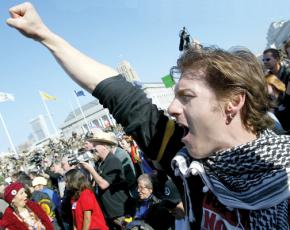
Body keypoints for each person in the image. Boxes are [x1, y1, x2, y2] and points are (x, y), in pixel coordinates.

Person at [7, 2, 290, 229]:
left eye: (187, 97)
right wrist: (45, 35)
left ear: (232, 102)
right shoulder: (184, 156)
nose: (172, 108)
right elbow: (118, 93)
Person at [80, 131, 135, 229]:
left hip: (119, 212)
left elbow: (104, 184)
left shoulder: (112, 161)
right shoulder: (100, 163)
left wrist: (91, 170)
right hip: (109, 213)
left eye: (96, 145)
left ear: (104, 146)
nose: (93, 148)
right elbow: (94, 185)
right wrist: (87, 171)